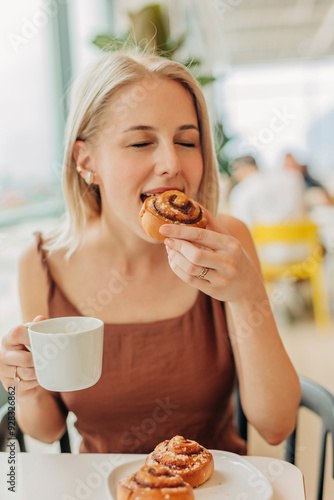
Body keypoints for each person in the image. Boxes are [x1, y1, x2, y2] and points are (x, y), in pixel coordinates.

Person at [0, 49, 301, 454]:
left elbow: (276, 424)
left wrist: (248, 294)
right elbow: (48, 429)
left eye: (187, 141)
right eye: (141, 142)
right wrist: (25, 384)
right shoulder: (42, 263)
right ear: (85, 159)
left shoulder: (226, 241)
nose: (170, 163)